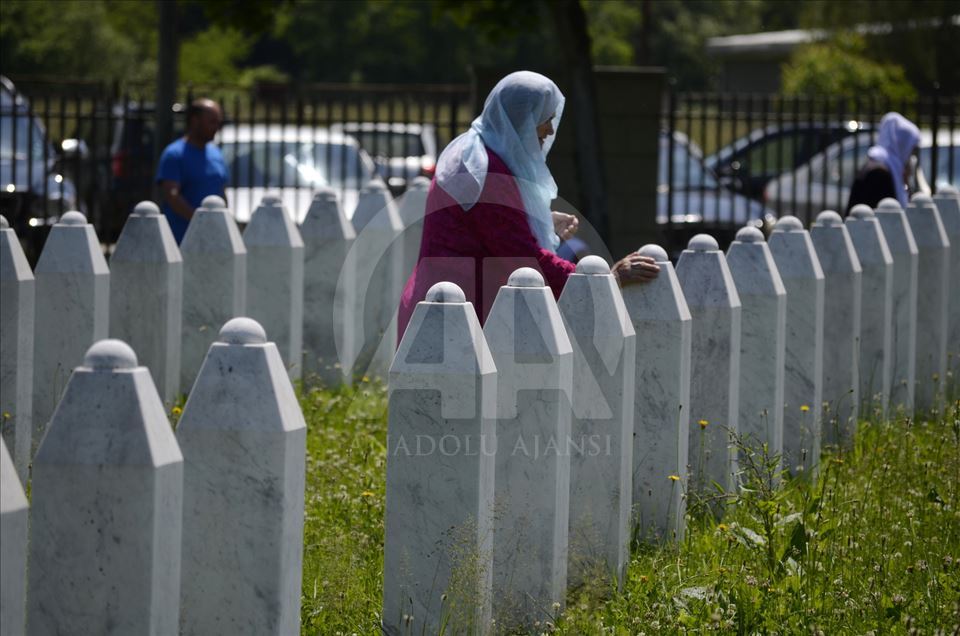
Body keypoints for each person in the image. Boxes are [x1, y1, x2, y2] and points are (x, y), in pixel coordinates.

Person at [397, 71, 659, 341]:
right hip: (454, 324)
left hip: (444, 308)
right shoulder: (486, 173)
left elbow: (484, 226)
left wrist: (540, 219)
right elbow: (524, 259)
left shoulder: (473, 151)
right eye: (543, 119)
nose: (550, 129)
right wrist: (603, 281)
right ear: (519, 121)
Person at [155, 98, 228, 243]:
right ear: (195, 121)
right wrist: (200, 222)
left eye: (219, 122)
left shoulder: (216, 153)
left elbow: (222, 190)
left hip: (213, 239)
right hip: (182, 240)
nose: (217, 127)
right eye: (212, 122)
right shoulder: (174, 154)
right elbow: (172, 196)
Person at [846, 112, 920, 213]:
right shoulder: (880, 173)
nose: (910, 156)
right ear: (902, 145)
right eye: (911, 149)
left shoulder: (879, 165)